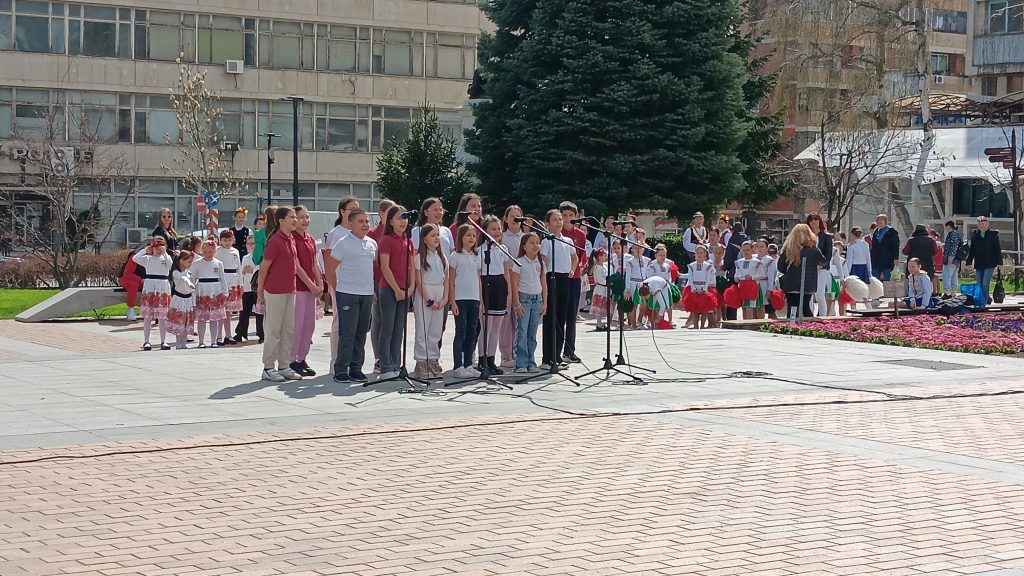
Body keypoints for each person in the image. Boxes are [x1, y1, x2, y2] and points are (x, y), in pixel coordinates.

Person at [330, 208, 377, 383]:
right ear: (351, 224)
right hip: (347, 293)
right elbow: (330, 267)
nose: (365, 224)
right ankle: (341, 369)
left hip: (366, 294)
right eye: (360, 221)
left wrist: (373, 290)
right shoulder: (343, 243)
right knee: (347, 333)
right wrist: (336, 288)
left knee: (361, 332)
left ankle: (356, 368)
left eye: (367, 221)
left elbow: (371, 268)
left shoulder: (372, 243)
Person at [257, 207, 303, 382]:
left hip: (290, 290)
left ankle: (284, 366)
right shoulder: (275, 241)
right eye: (291, 217)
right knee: (273, 330)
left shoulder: (291, 239)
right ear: (281, 220)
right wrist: (260, 291)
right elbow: (264, 268)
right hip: (275, 291)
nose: (295, 220)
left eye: (295, 217)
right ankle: (268, 367)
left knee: (288, 330)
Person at [376, 204, 414, 380]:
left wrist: (411, 287)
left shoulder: (408, 241)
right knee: (388, 328)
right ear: (390, 221)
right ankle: (385, 366)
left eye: (405, 218)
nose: (403, 222)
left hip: (405, 291)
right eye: (399, 218)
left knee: (399, 329)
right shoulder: (386, 240)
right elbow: (385, 267)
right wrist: (397, 289)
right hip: (389, 290)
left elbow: (412, 266)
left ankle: (396, 364)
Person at [323, 196, 360, 372]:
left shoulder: (359, 232)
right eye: (351, 209)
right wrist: (334, 286)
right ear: (342, 212)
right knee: (340, 322)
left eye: (357, 209)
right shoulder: (336, 233)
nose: (354, 212)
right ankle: (336, 360)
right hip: (340, 284)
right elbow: (329, 263)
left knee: (356, 324)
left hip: (357, 284)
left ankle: (352, 359)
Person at [539, 209, 579, 366]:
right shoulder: (547, 241)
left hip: (565, 279)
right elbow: (543, 260)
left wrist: (572, 270)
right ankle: (547, 356)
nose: (559, 222)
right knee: (551, 318)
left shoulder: (567, 241)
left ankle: (557, 354)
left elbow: (574, 258)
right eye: (555, 220)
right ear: (548, 224)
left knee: (561, 317)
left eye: (560, 219)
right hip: (551, 278)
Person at [473, 215, 510, 375]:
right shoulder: (480, 251)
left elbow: (506, 272)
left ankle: (491, 359)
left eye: (499, 228)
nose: (497, 232)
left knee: (497, 327)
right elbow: (478, 274)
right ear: (485, 231)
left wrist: (508, 293)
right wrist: (480, 298)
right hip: (486, 285)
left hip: (500, 285)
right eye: (493, 229)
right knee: (485, 327)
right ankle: (482, 360)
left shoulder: (503, 249)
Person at [290, 206, 323, 377]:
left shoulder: (310, 239)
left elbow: (314, 263)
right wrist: (311, 285)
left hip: (311, 289)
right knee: (297, 325)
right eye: (301, 217)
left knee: (309, 325)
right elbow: (297, 266)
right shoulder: (292, 238)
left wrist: (319, 283)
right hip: (298, 288)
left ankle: (302, 357)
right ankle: (292, 359)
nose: (305, 220)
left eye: (307, 217)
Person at [413, 223, 448, 380]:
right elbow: (419, 280)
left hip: (439, 292)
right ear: (424, 239)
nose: (436, 238)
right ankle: (421, 361)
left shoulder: (442, 257)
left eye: (437, 235)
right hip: (426, 292)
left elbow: (447, 279)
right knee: (423, 328)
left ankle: (433, 358)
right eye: (432, 236)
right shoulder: (420, 257)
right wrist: (428, 299)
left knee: (436, 330)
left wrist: (445, 298)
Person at [449, 223, 482, 378]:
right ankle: (458, 365)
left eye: (474, 235)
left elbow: (478, 279)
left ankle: (468, 364)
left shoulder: (476, 256)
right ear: (461, 237)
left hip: (474, 298)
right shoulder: (455, 256)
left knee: (472, 332)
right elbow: (451, 280)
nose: (471, 238)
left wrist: (481, 300)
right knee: (460, 332)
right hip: (460, 299)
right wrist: (453, 301)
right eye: (468, 235)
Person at [368, 199, 397, 374]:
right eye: (390, 212)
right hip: (378, 281)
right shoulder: (373, 234)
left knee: (395, 322)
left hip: (396, 282)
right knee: (379, 320)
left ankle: (392, 357)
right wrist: (372, 287)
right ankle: (379, 358)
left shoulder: (399, 234)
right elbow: (371, 264)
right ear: (381, 214)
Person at [512, 232, 546, 373]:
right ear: (524, 246)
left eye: (537, 243)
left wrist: (545, 302)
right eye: (531, 243)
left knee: (532, 333)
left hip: (537, 299)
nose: (535, 245)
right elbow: (514, 284)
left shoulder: (541, 263)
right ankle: (520, 362)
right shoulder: (519, 262)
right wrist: (517, 303)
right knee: (522, 331)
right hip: (524, 299)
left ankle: (531, 362)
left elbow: (544, 283)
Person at [132, 237, 173, 350]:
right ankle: (146, 341)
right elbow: (135, 258)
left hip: (162, 286)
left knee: (162, 316)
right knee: (148, 316)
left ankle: (163, 341)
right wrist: (145, 250)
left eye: (161, 248)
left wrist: (165, 253)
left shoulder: (165, 258)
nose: (158, 250)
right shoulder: (148, 259)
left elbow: (170, 265)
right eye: (156, 248)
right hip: (150, 286)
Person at [778, 223, 826, 319]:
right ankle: (811, 326)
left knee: (792, 307)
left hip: (791, 283)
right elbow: (823, 261)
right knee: (805, 307)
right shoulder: (813, 250)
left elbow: (780, 267)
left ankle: (791, 324)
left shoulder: (788, 250)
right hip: (808, 283)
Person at [498, 205, 526, 367]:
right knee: (506, 319)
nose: (515, 219)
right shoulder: (502, 237)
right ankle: (506, 354)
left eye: (518, 216)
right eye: (512, 216)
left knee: (521, 317)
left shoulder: (526, 237)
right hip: (506, 277)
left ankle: (520, 353)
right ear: (506, 219)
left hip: (523, 278)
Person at [560, 201, 587, 364]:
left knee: (571, 314)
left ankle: (569, 350)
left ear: (576, 216)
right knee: (559, 314)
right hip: (559, 277)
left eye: (571, 215)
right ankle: (556, 350)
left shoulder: (580, 234)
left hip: (575, 277)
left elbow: (582, 255)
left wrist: (579, 267)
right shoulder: (557, 232)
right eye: (564, 215)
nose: (567, 218)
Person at [191, 239, 228, 348]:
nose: (208, 254)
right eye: (205, 252)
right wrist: (192, 294)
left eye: (210, 252)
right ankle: (201, 341)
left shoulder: (218, 263)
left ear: (214, 251)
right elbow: (192, 278)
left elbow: (223, 278)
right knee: (202, 318)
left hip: (215, 291)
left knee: (214, 318)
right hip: (202, 291)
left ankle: (213, 341)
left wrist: (225, 292)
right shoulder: (197, 263)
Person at [215, 230, 243, 347]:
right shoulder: (218, 251)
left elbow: (239, 268)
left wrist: (241, 284)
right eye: (225, 240)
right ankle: (218, 336)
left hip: (233, 280)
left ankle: (228, 335)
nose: (227, 242)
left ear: (233, 240)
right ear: (221, 241)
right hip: (223, 279)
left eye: (229, 240)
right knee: (221, 310)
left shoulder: (235, 251)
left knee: (228, 311)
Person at [966, 215, 1001, 304]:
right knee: (979, 283)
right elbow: (972, 249)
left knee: (985, 282)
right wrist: (969, 261)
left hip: (990, 262)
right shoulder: (975, 235)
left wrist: (999, 262)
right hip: (979, 262)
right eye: (979, 224)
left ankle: (983, 301)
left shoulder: (993, 234)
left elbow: (997, 249)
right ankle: (983, 298)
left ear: (987, 224)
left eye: (983, 223)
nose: (981, 225)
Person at [234, 235, 263, 343]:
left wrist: (253, 269)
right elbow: (241, 271)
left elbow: (262, 268)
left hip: (258, 287)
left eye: (254, 243)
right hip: (247, 287)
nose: (252, 246)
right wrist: (244, 271)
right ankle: (240, 333)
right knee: (244, 311)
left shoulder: (261, 256)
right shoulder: (245, 257)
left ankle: (261, 334)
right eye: (249, 244)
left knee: (259, 312)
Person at [166, 250, 196, 350]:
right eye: (189, 261)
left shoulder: (188, 272)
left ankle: (184, 343)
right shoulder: (176, 272)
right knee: (179, 321)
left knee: (186, 321)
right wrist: (189, 283)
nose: (190, 264)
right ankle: (178, 344)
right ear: (181, 261)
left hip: (188, 299)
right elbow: (182, 278)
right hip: (179, 299)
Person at [805, 213, 834, 316]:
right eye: (811, 220)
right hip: (808, 269)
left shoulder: (827, 237)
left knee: (819, 295)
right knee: (809, 295)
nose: (813, 221)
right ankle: (809, 317)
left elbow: (828, 255)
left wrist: (821, 265)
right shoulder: (805, 237)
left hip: (821, 269)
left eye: (816, 219)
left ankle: (823, 318)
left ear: (820, 221)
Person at [684, 244, 717, 329]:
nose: (699, 255)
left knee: (704, 310)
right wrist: (693, 288)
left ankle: (702, 326)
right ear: (695, 254)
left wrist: (704, 288)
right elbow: (690, 277)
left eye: (701, 253)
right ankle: (695, 326)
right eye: (697, 253)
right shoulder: (691, 266)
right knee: (695, 310)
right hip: (694, 289)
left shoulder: (708, 266)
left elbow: (708, 278)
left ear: (705, 254)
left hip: (704, 289)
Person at [733, 241, 763, 320]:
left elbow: (762, 274)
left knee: (749, 307)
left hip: (752, 286)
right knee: (743, 307)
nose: (746, 252)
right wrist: (736, 277)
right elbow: (737, 273)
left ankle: (749, 324)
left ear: (752, 250)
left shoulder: (756, 262)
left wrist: (752, 277)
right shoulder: (739, 262)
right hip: (742, 286)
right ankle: (744, 324)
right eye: (744, 250)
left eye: (748, 250)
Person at [647, 244, 675, 322]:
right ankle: (655, 322)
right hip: (656, 288)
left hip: (666, 287)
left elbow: (669, 277)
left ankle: (669, 321)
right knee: (656, 306)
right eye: (660, 255)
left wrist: (670, 284)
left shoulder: (667, 266)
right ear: (656, 255)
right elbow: (650, 278)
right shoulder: (652, 265)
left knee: (668, 304)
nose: (662, 257)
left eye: (664, 255)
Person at [870, 213, 900, 280]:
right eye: (878, 221)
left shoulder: (891, 232)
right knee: (875, 279)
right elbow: (873, 246)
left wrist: (896, 258)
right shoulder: (876, 232)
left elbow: (895, 245)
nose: (879, 222)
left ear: (885, 221)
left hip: (888, 260)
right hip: (876, 261)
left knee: (888, 279)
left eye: (881, 220)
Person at [118, 246, 145, 321]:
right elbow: (127, 273)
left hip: (143, 280)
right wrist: (141, 280)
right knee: (133, 284)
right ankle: (130, 309)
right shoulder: (135, 257)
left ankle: (150, 310)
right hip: (127, 278)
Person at [588, 248, 611, 331]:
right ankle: (599, 324)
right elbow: (600, 279)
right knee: (599, 306)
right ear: (599, 257)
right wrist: (607, 282)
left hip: (605, 288)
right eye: (604, 255)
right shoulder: (597, 268)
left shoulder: (604, 266)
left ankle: (601, 323)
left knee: (603, 306)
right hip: (600, 288)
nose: (606, 257)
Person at [754, 238, 777, 320]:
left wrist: (769, 289)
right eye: (758, 246)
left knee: (761, 304)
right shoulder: (752, 258)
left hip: (763, 284)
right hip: (752, 284)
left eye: (762, 246)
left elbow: (771, 276)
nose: (759, 249)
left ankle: (760, 322)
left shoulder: (770, 260)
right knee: (752, 305)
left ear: (767, 248)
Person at [942, 220, 963, 294]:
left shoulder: (953, 234)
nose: (945, 229)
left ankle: (947, 292)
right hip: (957, 259)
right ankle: (953, 292)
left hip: (951, 258)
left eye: (946, 227)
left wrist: (951, 257)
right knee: (954, 276)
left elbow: (954, 246)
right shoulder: (957, 234)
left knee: (946, 275)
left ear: (949, 226)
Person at [929, 227, 943, 294]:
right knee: (936, 277)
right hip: (939, 262)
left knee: (934, 277)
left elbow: (935, 254)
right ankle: (939, 291)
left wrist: (934, 261)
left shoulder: (935, 243)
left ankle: (935, 291)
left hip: (936, 262)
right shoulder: (938, 242)